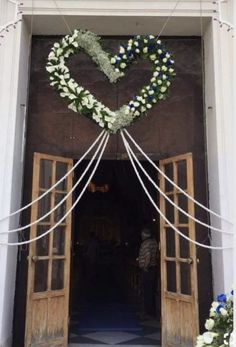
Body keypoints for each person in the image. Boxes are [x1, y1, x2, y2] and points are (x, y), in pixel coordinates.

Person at [138, 228, 158, 318]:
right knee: (151, 290)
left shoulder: (145, 243)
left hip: (148, 269)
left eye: (142, 234)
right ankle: (152, 310)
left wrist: (145, 266)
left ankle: (148, 311)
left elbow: (148, 255)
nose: (141, 236)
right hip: (153, 268)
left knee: (146, 290)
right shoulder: (154, 242)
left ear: (145, 234)